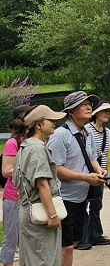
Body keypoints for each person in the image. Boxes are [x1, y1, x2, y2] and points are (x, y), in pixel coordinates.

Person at [48, 91, 106, 266]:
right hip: (64, 199)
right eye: (83, 104)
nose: (89, 107)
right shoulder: (60, 135)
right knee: (64, 246)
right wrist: (85, 177)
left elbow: (92, 157)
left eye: (89, 103)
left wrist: (99, 170)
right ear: (71, 111)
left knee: (73, 243)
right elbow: (56, 169)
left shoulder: (86, 132)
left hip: (81, 198)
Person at [14, 104, 67, 266]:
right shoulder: (37, 148)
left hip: (29, 212)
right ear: (38, 125)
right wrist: (52, 215)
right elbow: (42, 184)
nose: (54, 122)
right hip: (40, 214)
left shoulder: (25, 146)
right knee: (44, 260)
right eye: (50, 120)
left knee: (32, 259)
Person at [78, 100, 110, 250]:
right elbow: (87, 153)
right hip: (87, 173)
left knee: (97, 205)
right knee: (83, 205)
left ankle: (95, 235)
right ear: (96, 113)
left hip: (101, 173)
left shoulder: (107, 132)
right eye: (105, 111)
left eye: (109, 111)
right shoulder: (87, 129)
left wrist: (107, 174)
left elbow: (106, 153)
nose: (107, 114)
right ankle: (82, 238)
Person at [1, 105, 31, 266]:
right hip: (14, 198)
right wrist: (31, 168)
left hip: (30, 197)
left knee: (28, 239)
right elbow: (6, 171)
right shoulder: (12, 143)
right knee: (11, 238)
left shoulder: (36, 140)